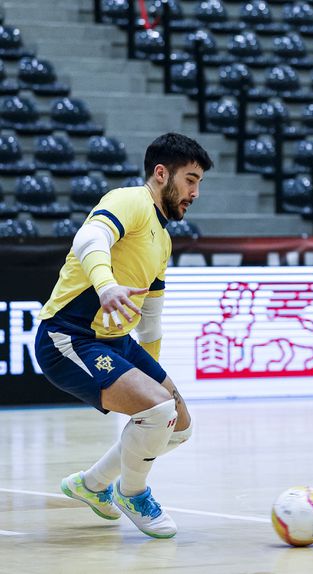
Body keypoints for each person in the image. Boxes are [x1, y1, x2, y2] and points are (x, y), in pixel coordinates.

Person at [35, 133, 213, 537]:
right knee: (157, 411)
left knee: (178, 424)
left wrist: (154, 371)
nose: (195, 192)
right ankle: (132, 492)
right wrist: (105, 285)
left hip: (118, 342)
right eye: (190, 180)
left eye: (199, 182)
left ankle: (93, 485)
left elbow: (150, 317)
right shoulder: (128, 200)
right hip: (69, 337)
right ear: (161, 173)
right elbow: (88, 238)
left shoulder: (163, 238)